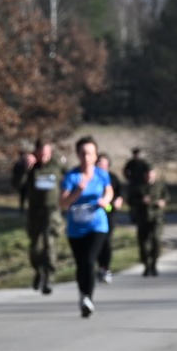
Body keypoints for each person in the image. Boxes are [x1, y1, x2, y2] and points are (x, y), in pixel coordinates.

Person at [59, 135, 114, 317]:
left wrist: (105, 200)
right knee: (81, 264)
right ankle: (83, 295)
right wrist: (78, 191)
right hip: (76, 228)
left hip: (97, 225)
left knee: (89, 260)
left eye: (90, 153)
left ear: (95, 155)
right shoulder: (72, 176)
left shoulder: (101, 174)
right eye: (82, 153)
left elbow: (109, 191)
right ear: (77, 154)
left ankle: (88, 298)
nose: (86, 157)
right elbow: (63, 202)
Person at [24, 140, 62, 293]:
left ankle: (49, 277)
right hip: (35, 211)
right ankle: (38, 271)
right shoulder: (31, 167)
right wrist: (25, 168)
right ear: (36, 152)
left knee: (49, 242)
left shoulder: (57, 165)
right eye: (41, 153)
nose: (44, 156)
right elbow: (17, 184)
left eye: (47, 153)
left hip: (52, 211)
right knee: (35, 246)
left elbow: (70, 176)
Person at [123, 146, 166, 276]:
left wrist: (162, 202)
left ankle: (154, 263)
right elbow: (130, 199)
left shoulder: (158, 185)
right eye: (147, 173)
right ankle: (146, 264)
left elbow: (165, 196)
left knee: (156, 239)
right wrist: (140, 201)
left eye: (151, 173)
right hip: (142, 216)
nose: (149, 175)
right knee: (143, 242)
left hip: (156, 216)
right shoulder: (137, 185)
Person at [95, 153, 123, 284]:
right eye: (99, 162)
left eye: (103, 163)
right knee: (96, 242)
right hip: (95, 212)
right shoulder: (92, 176)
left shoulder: (113, 178)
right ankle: (98, 267)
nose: (101, 165)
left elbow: (120, 193)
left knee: (106, 240)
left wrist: (119, 200)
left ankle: (105, 268)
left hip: (109, 211)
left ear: (108, 165)